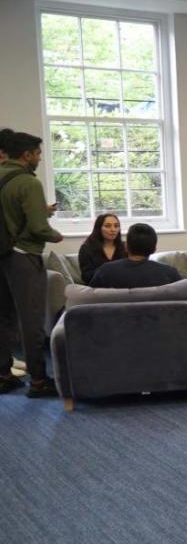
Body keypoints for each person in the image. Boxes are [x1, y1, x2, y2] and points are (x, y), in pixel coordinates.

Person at [0, 131, 64, 398]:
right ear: (26, 155)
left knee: (3, 316)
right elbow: (38, 227)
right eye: (37, 153)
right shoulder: (28, 182)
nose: (39, 158)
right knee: (31, 319)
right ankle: (38, 381)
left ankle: (3, 374)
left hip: (1, 254)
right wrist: (55, 235)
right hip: (22, 256)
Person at [88, 223, 180, 289]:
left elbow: (89, 300)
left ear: (126, 246)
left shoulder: (105, 271)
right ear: (154, 249)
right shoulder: (170, 274)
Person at [78, 213, 127, 284]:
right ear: (99, 228)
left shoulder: (125, 247)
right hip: (97, 289)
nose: (113, 229)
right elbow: (86, 277)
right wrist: (108, 270)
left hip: (122, 288)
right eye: (108, 226)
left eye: (116, 226)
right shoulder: (86, 248)